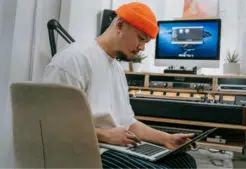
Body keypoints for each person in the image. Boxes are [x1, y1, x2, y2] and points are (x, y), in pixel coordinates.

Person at [42, 2, 197, 169]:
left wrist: (167, 139)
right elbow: (50, 124)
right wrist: (105, 135)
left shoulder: (117, 69)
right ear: (120, 25)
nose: (142, 47)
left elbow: (128, 122)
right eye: (141, 38)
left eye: (146, 42)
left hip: (113, 147)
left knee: (186, 162)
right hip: (84, 150)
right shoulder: (73, 58)